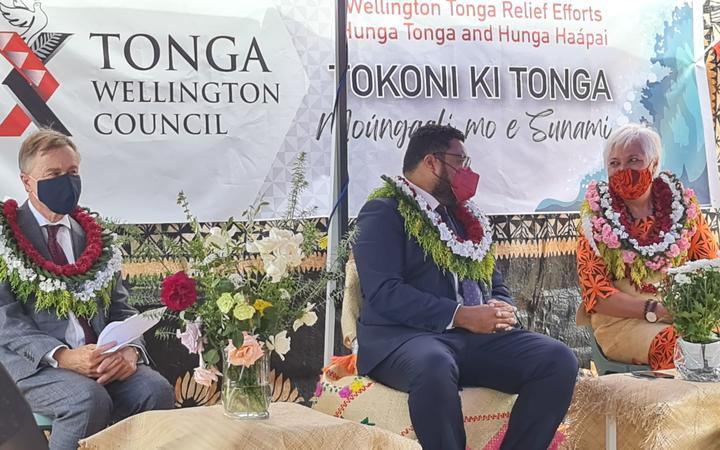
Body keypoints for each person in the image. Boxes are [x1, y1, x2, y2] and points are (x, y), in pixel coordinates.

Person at [353, 124, 578, 450]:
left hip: (470, 339)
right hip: (404, 340)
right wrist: (460, 315)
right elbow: (385, 292)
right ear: (431, 162)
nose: (469, 172)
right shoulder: (384, 211)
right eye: (461, 161)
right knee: (434, 363)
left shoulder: (463, 217)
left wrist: (502, 307)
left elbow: (492, 280)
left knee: (557, 359)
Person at [0, 129, 175, 450]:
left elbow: (122, 310)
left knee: (155, 389)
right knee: (87, 399)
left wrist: (129, 352)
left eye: (72, 173)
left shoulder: (95, 238)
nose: (65, 182)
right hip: (34, 366)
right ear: (26, 182)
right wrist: (64, 357)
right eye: (53, 174)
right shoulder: (5, 235)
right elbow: (4, 319)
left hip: (103, 359)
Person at [576, 123, 719, 369]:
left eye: (633, 160)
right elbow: (597, 296)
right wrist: (657, 309)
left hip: (685, 316)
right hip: (623, 323)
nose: (623, 170)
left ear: (653, 164)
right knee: (684, 347)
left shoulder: (684, 209)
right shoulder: (595, 220)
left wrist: (693, 313)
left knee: (707, 340)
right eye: (614, 163)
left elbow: (710, 270)